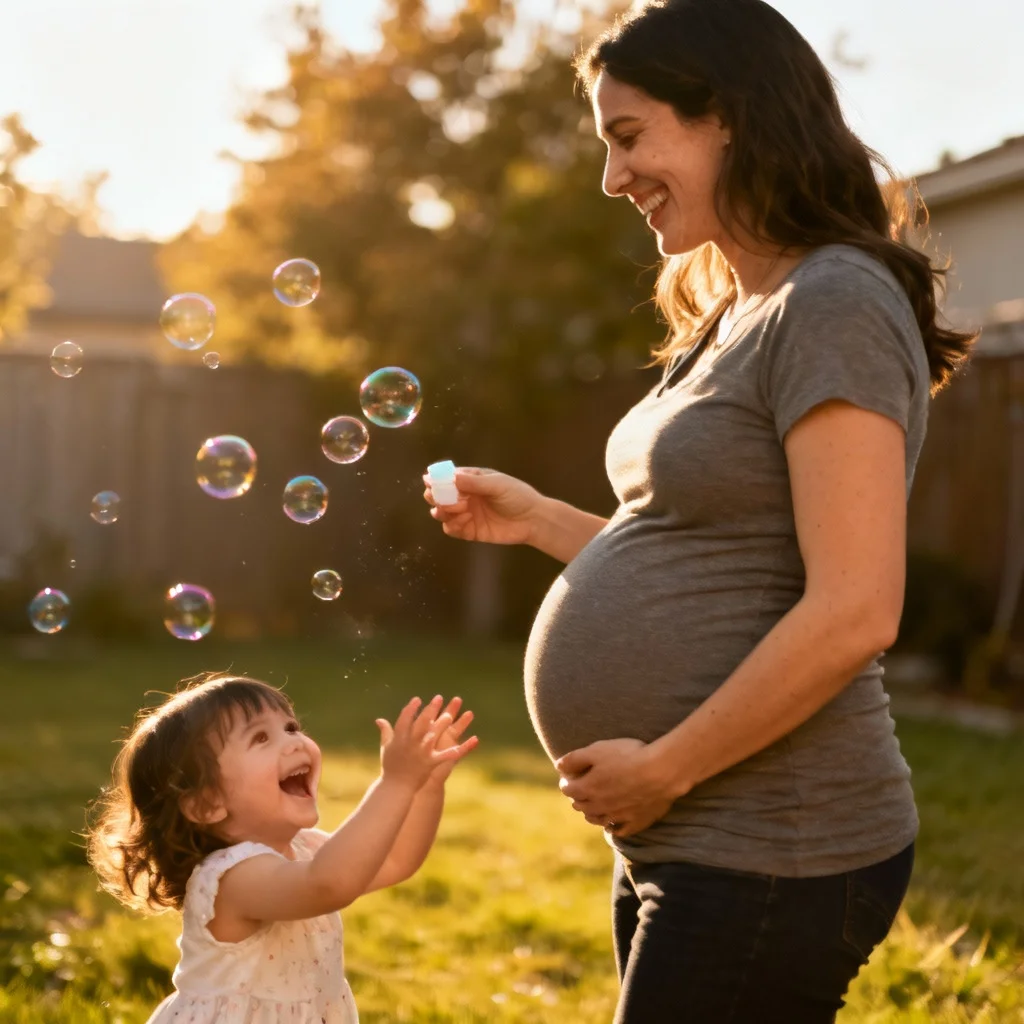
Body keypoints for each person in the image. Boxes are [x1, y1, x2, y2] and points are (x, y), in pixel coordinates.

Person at [423, 0, 978, 1020]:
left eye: (629, 137)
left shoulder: (835, 301)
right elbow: (720, 558)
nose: (611, 178)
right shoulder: (737, 308)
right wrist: (548, 521)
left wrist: (664, 767)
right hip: (689, 831)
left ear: (728, 115)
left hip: (777, 838)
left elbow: (856, 607)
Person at [86, 672, 477, 1023]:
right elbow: (330, 885)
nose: (293, 741)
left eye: (291, 727)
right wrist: (396, 784)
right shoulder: (232, 877)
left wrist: (427, 787)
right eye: (261, 737)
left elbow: (395, 861)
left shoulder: (304, 850)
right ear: (207, 804)